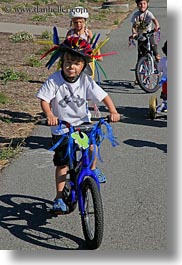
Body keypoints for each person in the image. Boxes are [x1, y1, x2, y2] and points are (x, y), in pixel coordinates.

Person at [36, 36, 120, 213]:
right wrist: (49, 114)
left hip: (82, 125)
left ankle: (93, 169)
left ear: (83, 65)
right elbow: (44, 99)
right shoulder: (55, 80)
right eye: (67, 62)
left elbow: (103, 96)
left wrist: (113, 111)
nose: (70, 66)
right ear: (62, 62)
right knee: (63, 164)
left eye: (75, 63)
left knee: (92, 146)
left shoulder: (86, 81)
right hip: (62, 127)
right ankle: (59, 197)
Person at [156, 40, 167, 113]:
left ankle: (165, 103)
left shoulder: (163, 60)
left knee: (165, 91)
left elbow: (159, 69)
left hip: (166, 83)